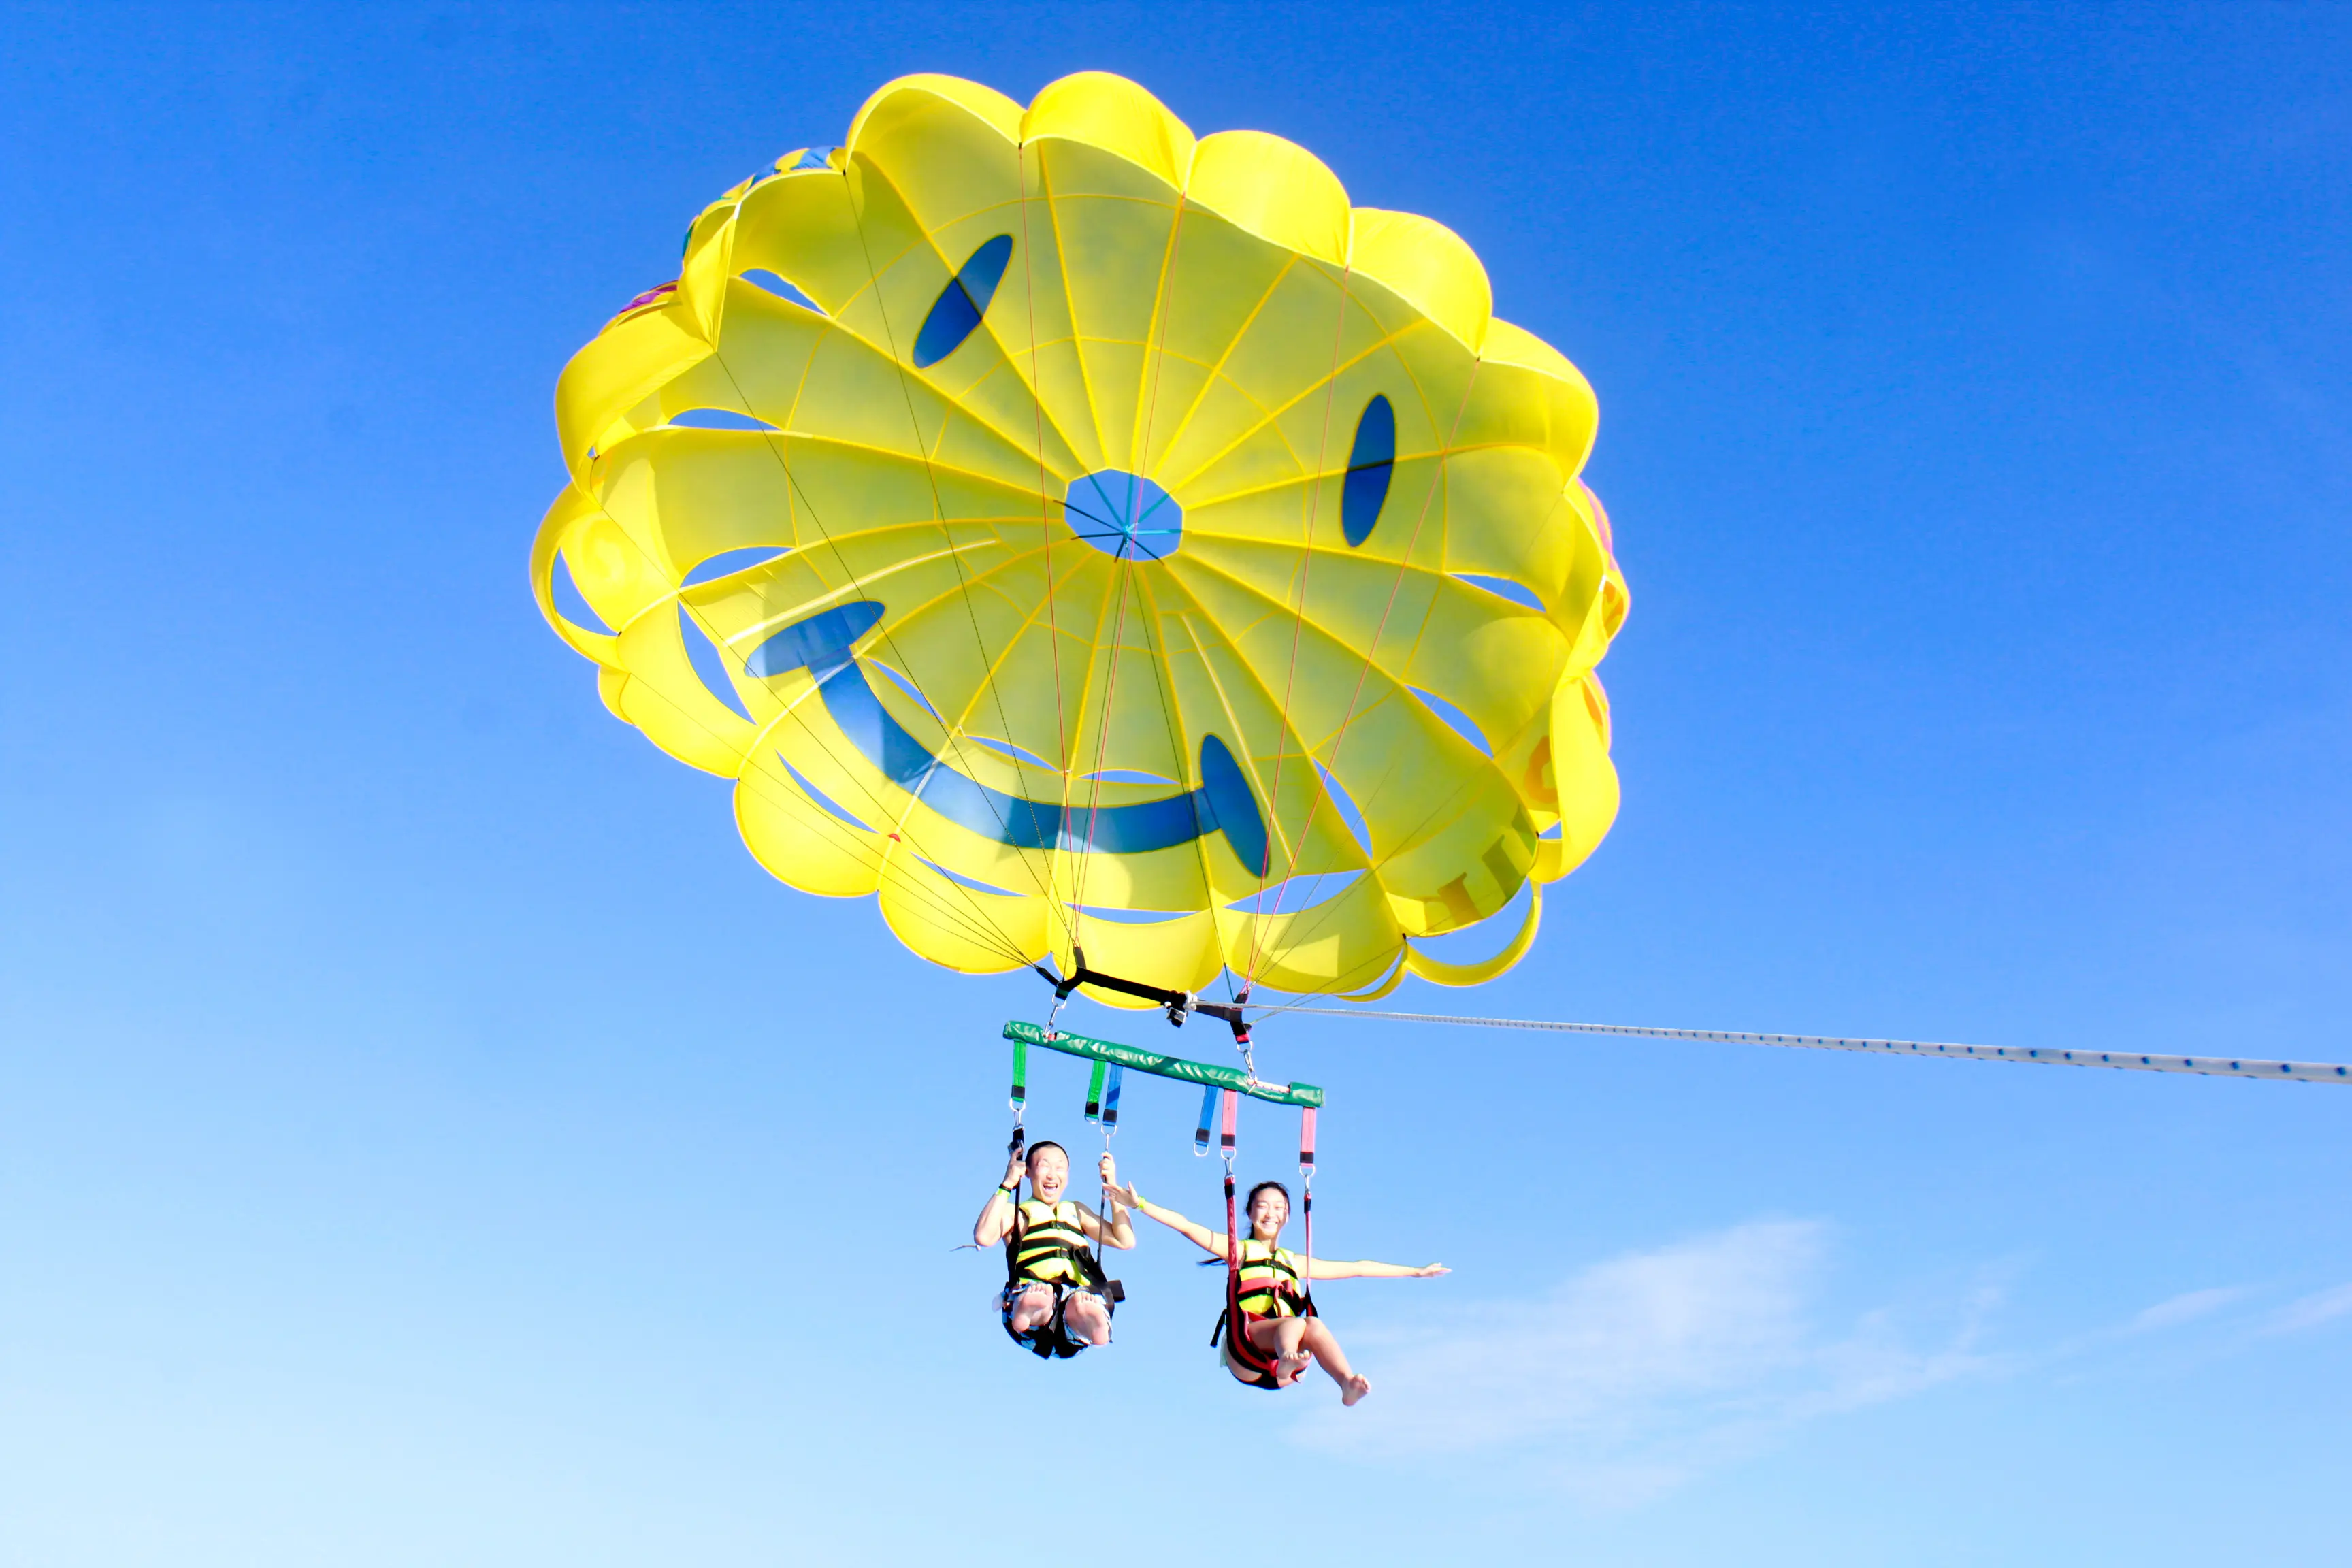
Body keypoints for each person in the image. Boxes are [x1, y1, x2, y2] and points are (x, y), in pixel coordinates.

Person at [1113, 1177, 1445, 1404]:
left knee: (1312, 1325)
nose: (1270, 1213)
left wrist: (1414, 1272)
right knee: (1298, 1325)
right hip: (1246, 1349)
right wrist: (1139, 1203)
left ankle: (1346, 1384)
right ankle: (1286, 1358)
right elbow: (1186, 1225)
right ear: (1249, 1212)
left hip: (1284, 1368)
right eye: (1262, 1206)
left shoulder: (1294, 1262)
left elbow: (1358, 1267)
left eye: (1278, 1207)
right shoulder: (1238, 1251)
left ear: (1287, 1215)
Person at [973, 1140, 1134, 1358]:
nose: (1052, 1174)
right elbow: (983, 1236)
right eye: (1044, 1166)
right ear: (1027, 1171)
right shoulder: (1016, 1212)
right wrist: (1007, 1184)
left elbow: (1125, 1240)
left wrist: (1113, 1187)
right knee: (1042, 1295)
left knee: (1079, 1302)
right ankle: (1029, 1312)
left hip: (1074, 1306)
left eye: (1060, 1168)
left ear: (1067, 1176)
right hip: (1031, 1303)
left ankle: (1090, 1323)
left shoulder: (1076, 1211)